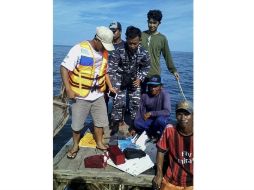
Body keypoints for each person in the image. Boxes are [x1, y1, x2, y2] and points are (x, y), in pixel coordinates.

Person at [60, 26, 116, 159]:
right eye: (104, 45)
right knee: (77, 124)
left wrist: (110, 86)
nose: (105, 48)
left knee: (100, 122)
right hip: (80, 95)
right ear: (97, 39)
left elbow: (105, 72)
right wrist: (68, 89)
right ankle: (75, 145)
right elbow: (64, 67)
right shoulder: (79, 49)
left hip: (98, 95)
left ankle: (99, 143)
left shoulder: (104, 52)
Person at [108, 26, 151, 135]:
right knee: (118, 101)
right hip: (119, 77)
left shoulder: (144, 52)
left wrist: (140, 78)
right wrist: (113, 85)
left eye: (135, 43)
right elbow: (112, 69)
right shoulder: (118, 50)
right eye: (130, 43)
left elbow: (146, 66)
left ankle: (134, 124)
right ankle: (115, 123)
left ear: (140, 41)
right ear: (126, 39)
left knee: (135, 102)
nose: (132, 46)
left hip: (134, 78)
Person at [152, 100, 193, 190]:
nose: (182, 118)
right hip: (171, 179)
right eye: (179, 114)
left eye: (187, 114)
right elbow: (161, 151)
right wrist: (159, 174)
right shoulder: (170, 130)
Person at [141, 9, 180, 94]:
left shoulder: (162, 38)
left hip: (154, 74)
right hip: (140, 74)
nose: (152, 25)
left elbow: (167, 55)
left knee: (154, 100)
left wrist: (173, 70)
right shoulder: (141, 35)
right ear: (147, 21)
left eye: (154, 23)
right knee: (140, 100)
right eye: (150, 22)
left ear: (159, 23)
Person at [132, 75, 171, 139]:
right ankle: (152, 133)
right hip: (150, 121)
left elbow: (167, 112)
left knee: (160, 120)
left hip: (159, 120)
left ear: (161, 86)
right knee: (136, 123)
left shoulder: (165, 94)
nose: (153, 88)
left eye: (155, 86)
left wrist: (151, 113)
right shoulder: (145, 96)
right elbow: (140, 112)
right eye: (151, 86)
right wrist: (134, 127)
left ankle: (162, 137)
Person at [104, 21, 125, 113]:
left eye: (114, 31)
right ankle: (103, 122)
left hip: (119, 80)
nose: (111, 33)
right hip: (104, 78)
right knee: (103, 101)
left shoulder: (126, 45)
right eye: (110, 31)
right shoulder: (105, 45)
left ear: (120, 31)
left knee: (119, 103)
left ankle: (118, 121)